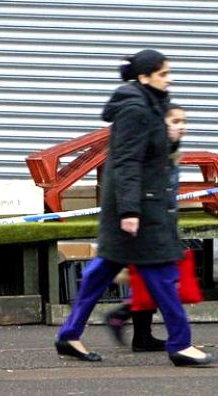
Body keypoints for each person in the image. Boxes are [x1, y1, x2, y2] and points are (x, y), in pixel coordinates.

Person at [54, 49, 214, 367]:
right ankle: (180, 343)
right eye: (163, 73)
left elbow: (152, 156)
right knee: (161, 276)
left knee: (101, 273)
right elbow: (126, 163)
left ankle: (69, 334)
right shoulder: (135, 109)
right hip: (139, 209)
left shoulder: (154, 106)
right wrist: (129, 212)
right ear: (144, 77)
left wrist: (169, 141)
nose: (169, 79)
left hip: (142, 206)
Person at [105, 103, 188, 352]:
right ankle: (123, 317)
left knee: (150, 281)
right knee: (157, 280)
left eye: (184, 121)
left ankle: (141, 334)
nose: (181, 126)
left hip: (160, 224)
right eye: (175, 121)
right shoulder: (152, 152)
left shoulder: (170, 152)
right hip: (147, 225)